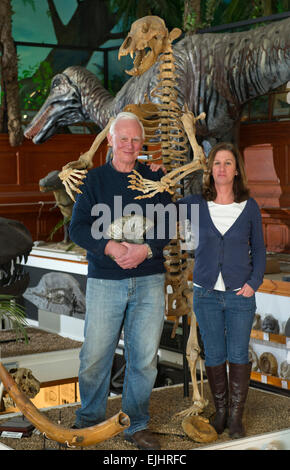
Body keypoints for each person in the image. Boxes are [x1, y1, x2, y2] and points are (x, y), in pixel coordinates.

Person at [69, 112, 172, 450]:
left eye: (135, 140)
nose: (129, 145)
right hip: (105, 281)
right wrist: (110, 246)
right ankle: (89, 421)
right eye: (123, 138)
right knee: (96, 355)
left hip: (148, 281)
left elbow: (168, 226)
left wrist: (145, 250)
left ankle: (136, 424)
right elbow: (79, 227)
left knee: (144, 358)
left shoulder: (154, 179)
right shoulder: (93, 181)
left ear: (142, 145)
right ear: (110, 141)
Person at [177, 142, 266, 439]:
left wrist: (253, 284)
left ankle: (236, 417)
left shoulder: (249, 206)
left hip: (240, 296)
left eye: (228, 163)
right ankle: (221, 412)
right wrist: (159, 174)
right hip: (205, 295)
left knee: (238, 354)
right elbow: (164, 207)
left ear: (237, 170)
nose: (222, 168)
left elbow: (261, 252)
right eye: (217, 163)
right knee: (214, 354)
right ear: (210, 169)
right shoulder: (195, 203)